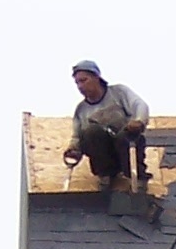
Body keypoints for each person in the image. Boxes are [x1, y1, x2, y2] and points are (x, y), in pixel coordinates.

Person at [64, 61, 151, 191]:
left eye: (84, 80)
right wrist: (74, 149)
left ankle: (137, 177)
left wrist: (139, 121)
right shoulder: (81, 110)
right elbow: (77, 135)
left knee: (125, 135)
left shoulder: (119, 93)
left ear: (96, 77)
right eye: (77, 83)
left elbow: (139, 105)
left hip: (127, 147)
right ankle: (106, 175)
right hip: (105, 155)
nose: (80, 86)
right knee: (91, 132)